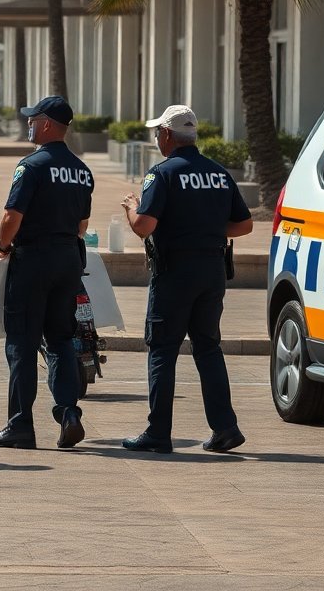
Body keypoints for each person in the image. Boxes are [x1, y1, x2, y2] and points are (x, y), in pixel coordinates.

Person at [120, 104, 253, 454]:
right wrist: (205, 229)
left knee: (163, 349)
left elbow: (143, 226)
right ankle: (225, 427)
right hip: (212, 271)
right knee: (208, 347)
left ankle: (158, 433)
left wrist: (131, 207)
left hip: (174, 273)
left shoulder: (161, 174)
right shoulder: (219, 173)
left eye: (157, 133)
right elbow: (244, 224)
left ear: (166, 135)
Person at [0, 96, 93, 451]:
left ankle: (20, 426)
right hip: (68, 260)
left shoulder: (30, 166)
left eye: (32, 120)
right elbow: (81, 224)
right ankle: (68, 414)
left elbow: (10, 218)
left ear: (46, 124)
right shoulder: (81, 170)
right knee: (60, 341)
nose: (28, 125)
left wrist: (3, 247)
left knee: (23, 344)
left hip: (33, 261)